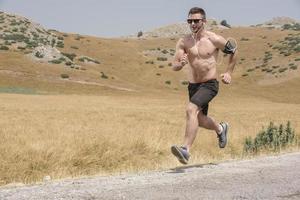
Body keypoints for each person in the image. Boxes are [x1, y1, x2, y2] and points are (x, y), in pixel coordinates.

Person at [171, 7, 238, 165]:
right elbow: (174, 65)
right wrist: (180, 64)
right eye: (190, 21)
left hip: (210, 84)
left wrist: (229, 72)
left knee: (190, 110)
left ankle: (185, 150)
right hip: (193, 85)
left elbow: (234, 51)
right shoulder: (184, 41)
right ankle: (221, 129)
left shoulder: (214, 39)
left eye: (196, 21)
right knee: (199, 120)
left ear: (204, 21)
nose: (193, 24)